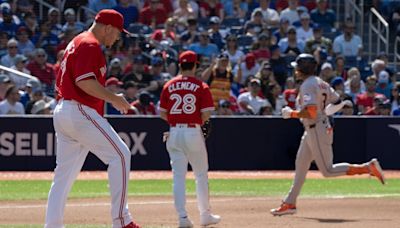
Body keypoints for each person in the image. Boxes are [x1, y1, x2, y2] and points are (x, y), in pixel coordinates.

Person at [45, 9, 140, 228]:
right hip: (79, 110)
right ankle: (122, 221)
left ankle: (52, 225)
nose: (117, 38)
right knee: (121, 155)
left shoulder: (77, 41)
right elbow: (84, 82)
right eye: (117, 33)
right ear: (107, 27)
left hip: (63, 109)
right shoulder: (90, 44)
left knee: (63, 177)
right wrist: (114, 98)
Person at [270, 54, 385, 216]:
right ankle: (290, 203)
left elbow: (310, 112)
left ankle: (368, 168)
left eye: (298, 66)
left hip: (316, 128)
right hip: (315, 127)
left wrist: (291, 114)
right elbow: (337, 102)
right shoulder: (320, 83)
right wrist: (325, 112)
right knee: (301, 165)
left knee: (327, 171)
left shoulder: (308, 85)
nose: (295, 69)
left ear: (304, 68)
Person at [159, 50, 221, 227]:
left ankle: (183, 218)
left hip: (174, 132)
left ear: (180, 65)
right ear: (195, 66)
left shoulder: (168, 85)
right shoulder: (201, 86)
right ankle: (205, 215)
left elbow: (162, 113)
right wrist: (193, 123)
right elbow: (206, 114)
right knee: (200, 175)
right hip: (193, 131)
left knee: (178, 177)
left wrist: (176, 123)